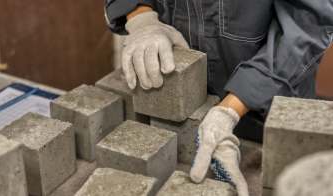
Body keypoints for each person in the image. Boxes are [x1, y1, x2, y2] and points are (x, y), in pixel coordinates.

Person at [104, 0, 333, 195]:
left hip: (271, 106)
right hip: (171, 102)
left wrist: (229, 110)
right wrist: (142, 19)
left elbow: (308, 26)